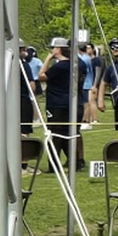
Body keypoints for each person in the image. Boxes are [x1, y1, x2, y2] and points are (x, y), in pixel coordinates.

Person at [41, 39, 83, 171]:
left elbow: (41, 76)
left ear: (59, 49)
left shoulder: (59, 66)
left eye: (53, 48)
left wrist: (48, 59)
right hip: (73, 103)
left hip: (57, 104)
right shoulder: (76, 65)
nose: (52, 50)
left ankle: (54, 165)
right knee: (70, 134)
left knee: (55, 135)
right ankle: (75, 162)